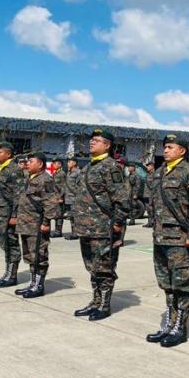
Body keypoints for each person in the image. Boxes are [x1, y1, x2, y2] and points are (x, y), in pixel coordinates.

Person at [146, 134, 189, 347]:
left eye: (170, 147)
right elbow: (153, 205)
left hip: (180, 240)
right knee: (166, 284)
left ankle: (180, 328)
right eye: (165, 147)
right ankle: (169, 323)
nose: (165, 150)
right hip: (160, 239)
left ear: (182, 151)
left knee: (182, 285)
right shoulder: (159, 173)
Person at [72, 129, 130, 321]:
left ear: (107, 145)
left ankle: (104, 305)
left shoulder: (111, 167)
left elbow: (122, 199)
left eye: (96, 140)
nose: (91, 143)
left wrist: (118, 223)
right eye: (91, 140)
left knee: (104, 268)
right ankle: (95, 301)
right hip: (86, 227)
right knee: (92, 267)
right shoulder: (89, 166)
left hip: (103, 228)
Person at [11, 152, 59, 298]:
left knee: (39, 254)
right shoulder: (29, 178)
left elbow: (51, 202)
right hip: (26, 223)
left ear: (40, 164)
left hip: (37, 224)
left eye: (31, 161)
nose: (27, 164)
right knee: (30, 255)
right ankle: (32, 283)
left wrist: (46, 222)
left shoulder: (46, 180)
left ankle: (38, 285)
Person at [0, 142, 24, 288]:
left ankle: (12, 276)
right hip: (0, 213)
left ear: (8, 154)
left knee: (11, 243)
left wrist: (15, 215)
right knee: (4, 243)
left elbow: (18, 194)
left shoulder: (14, 169)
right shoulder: (2, 169)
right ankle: (7, 273)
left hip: (9, 213)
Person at [63, 157, 81, 240]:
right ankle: (73, 232)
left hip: (75, 198)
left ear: (74, 163)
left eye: (69, 162)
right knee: (71, 216)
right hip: (69, 198)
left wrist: (77, 194)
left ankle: (76, 233)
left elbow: (80, 186)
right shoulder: (69, 172)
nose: (68, 163)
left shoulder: (78, 172)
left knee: (76, 216)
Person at [50, 158, 66, 237]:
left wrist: (61, 197)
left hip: (59, 197)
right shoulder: (55, 173)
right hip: (55, 197)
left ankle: (59, 231)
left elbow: (63, 187)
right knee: (56, 214)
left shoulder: (61, 174)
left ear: (59, 164)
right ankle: (56, 230)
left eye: (55, 163)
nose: (53, 164)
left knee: (59, 215)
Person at [143, 161, 157, 228]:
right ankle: (149, 222)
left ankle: (153, 222)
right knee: (148, 209)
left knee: (152, 209)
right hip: (146, 194)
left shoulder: (155, 175)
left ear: (152, 166)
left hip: (151, 195)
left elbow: (154, 186)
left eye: (148, 166)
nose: (147, 167)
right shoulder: (148, 174)